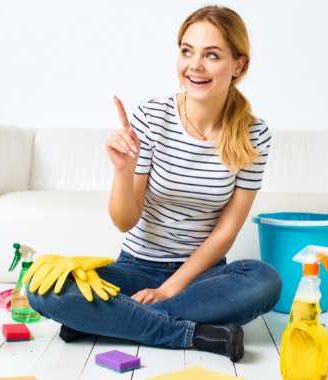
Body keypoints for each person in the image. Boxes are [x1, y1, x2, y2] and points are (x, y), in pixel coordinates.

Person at [27, 5, 281, 363]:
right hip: (135, 268)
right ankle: (195, 335)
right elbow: (124, 221)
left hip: (201, 278)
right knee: (43, 288)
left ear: (239, 65)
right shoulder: (152, 117)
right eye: (187, 51)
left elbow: (226, 231)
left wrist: (170, 289)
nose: (194, 66)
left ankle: (107, 322)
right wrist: (122, 169)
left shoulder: (255, 135)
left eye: (212, 55)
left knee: (265, 279)